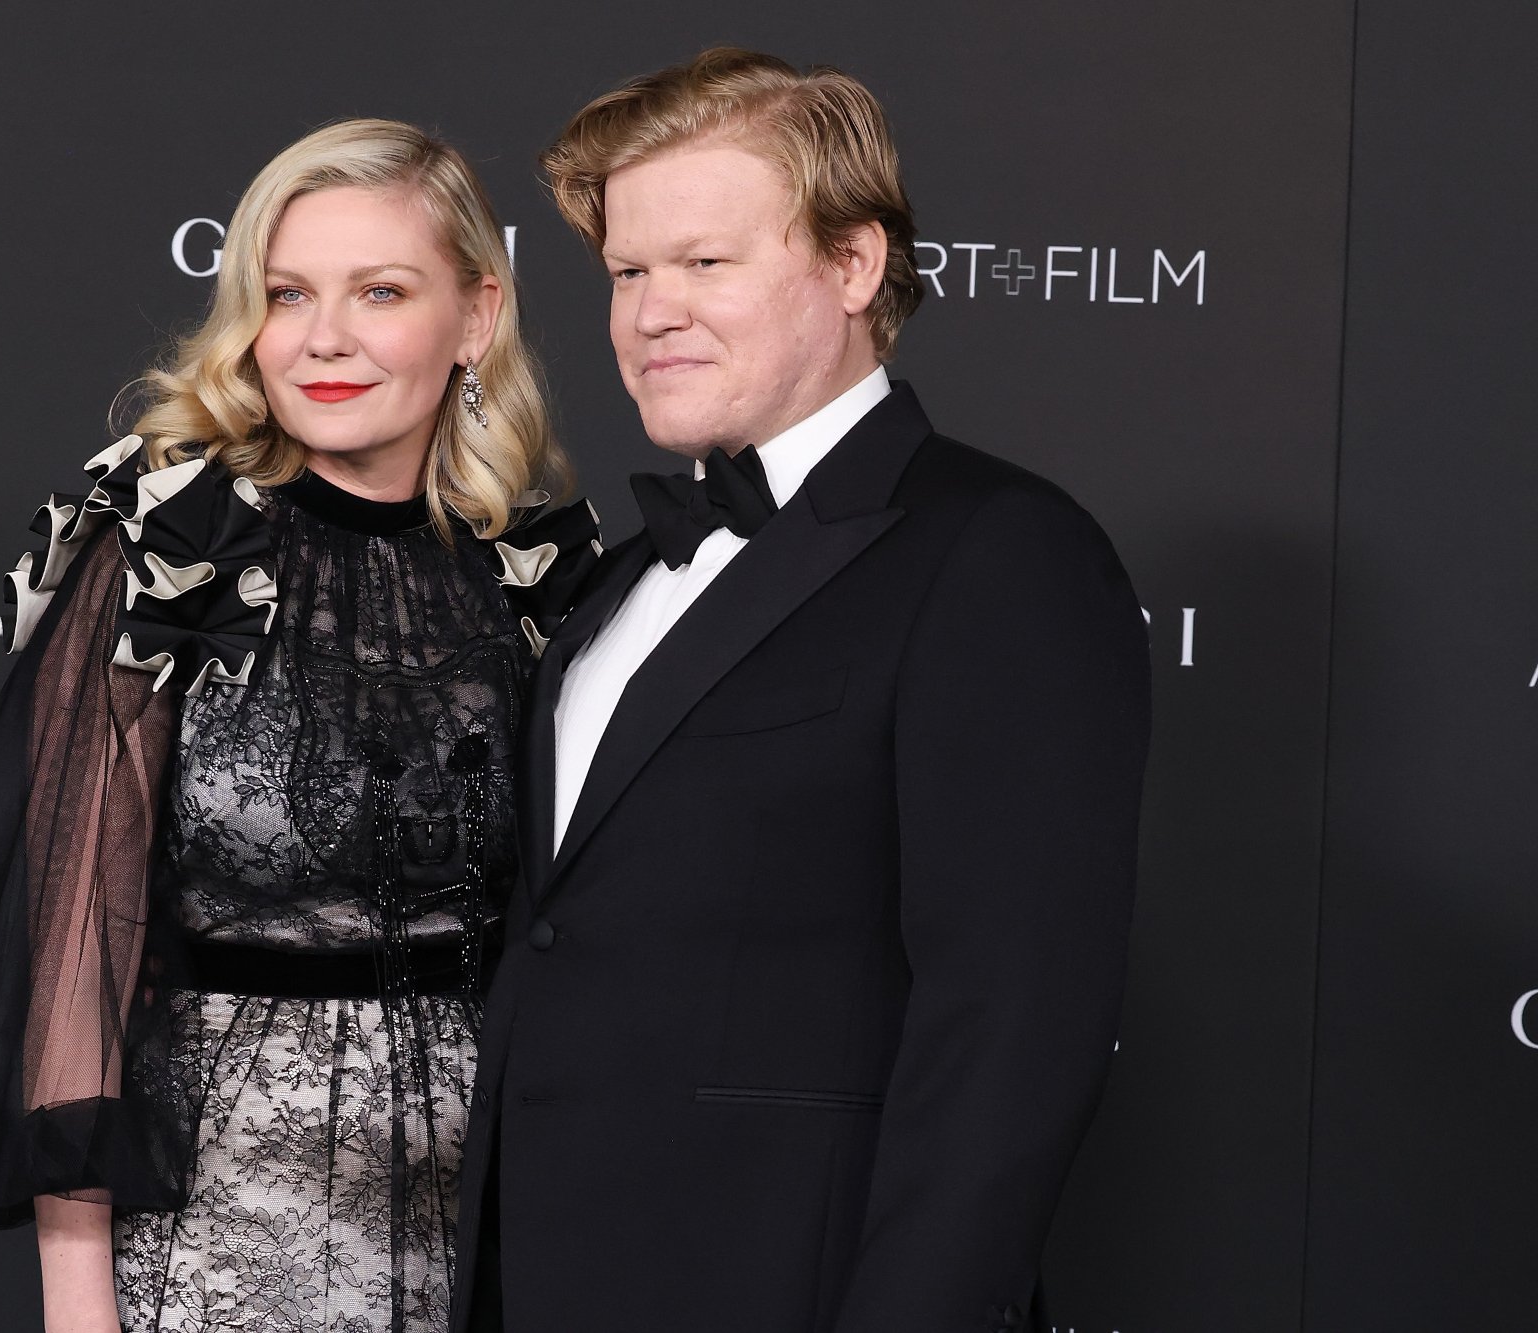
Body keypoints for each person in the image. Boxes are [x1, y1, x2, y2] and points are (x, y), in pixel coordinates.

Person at [454, 49, 1151, 1333]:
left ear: (852, 266)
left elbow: (1009, 1031)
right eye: (625, 271)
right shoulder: (614, 582)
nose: (648, 312)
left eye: (705, 263)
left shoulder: (995, 552)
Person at [0, 118, 598, 1333]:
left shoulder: (528, 574)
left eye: (379, 291)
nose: (323, 338)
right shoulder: (173, 548)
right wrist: (77, 1308)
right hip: (226, 1220)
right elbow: (69, 957)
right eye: (286, 293)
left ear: (474, 317)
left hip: (490, 1215)